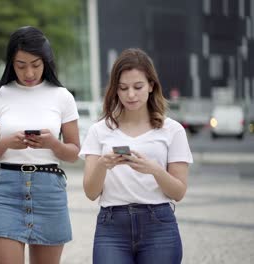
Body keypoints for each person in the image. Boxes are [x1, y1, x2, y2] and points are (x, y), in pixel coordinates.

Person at [0, 26, 80, 264]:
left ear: (46, 61)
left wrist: (53, 143)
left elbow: (74, 153)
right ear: (11, 63)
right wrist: (6, 143)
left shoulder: (62, 96)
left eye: (35, 64)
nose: (29, 72)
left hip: (49, 190)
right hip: (6, 192)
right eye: (21, 65)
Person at [79, 48, 193, 264]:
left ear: (151, 85)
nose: (130, 95)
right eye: (123, 88)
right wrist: (103, 165)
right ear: (115, 90)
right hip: (111, 227)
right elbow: (91, 193)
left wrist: (154, 169)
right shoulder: (99, 130)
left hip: (159, 225)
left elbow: (178, 192)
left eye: (138, 87)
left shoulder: (173, 130)